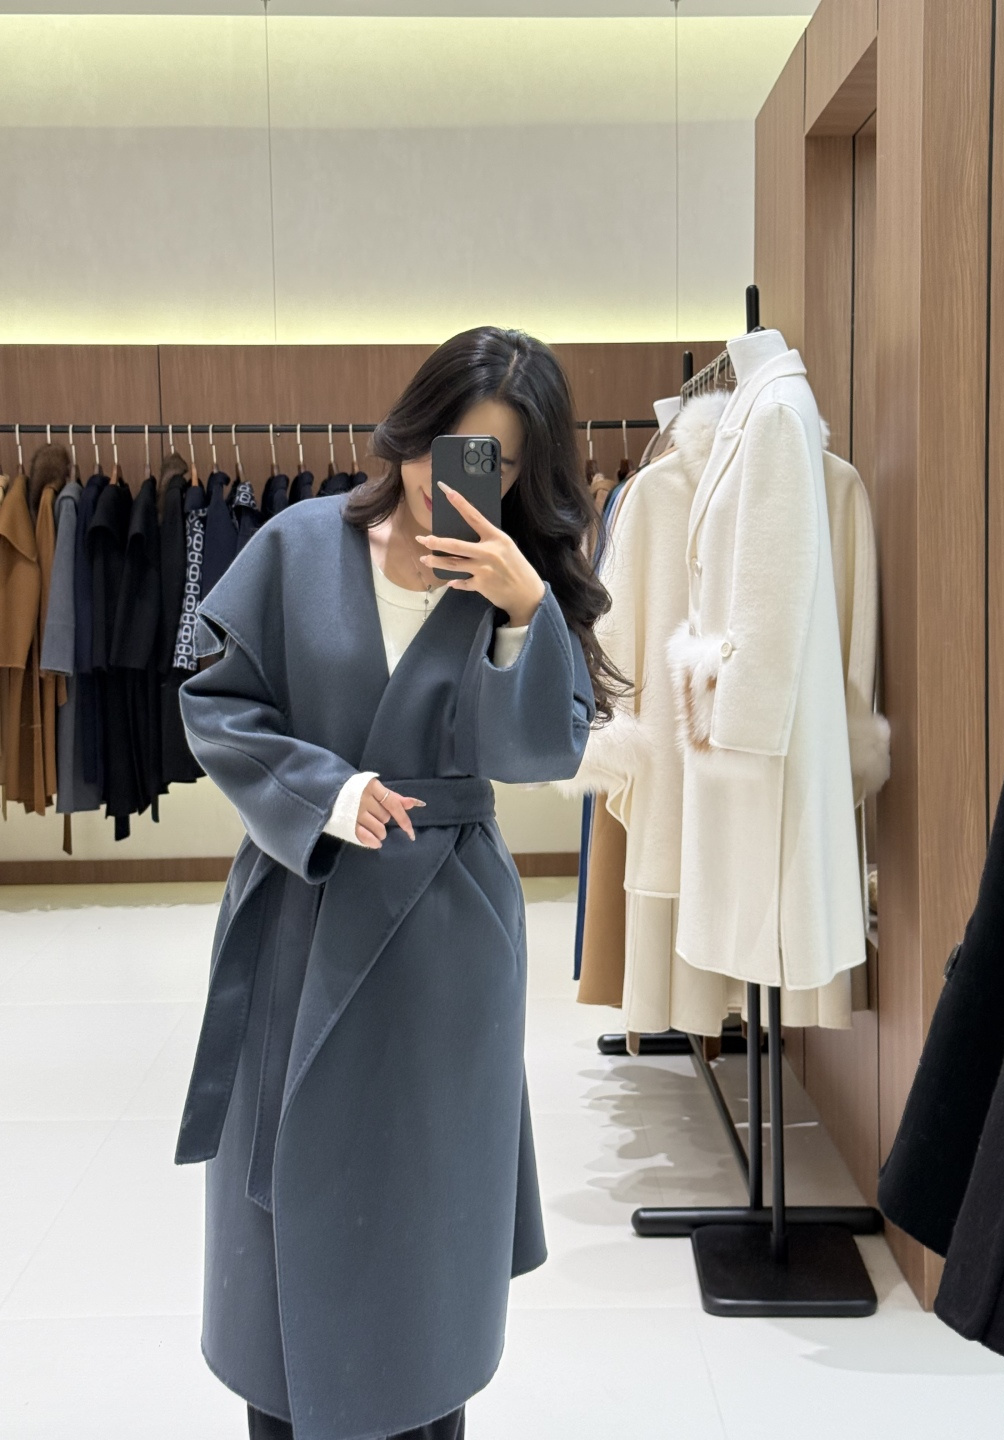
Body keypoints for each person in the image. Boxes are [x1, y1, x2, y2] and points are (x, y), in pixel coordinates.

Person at [171, 328, 628, 1440]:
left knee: (424, 1224)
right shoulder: (300, 545)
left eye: (494, 461)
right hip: (305, 903)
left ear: (524, 473)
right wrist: (326, 793)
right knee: (288, 1232)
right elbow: (215, 707)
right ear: (410, 428)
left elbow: (538, 754)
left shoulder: (510, 585)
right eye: (441, 444)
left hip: (444, 934)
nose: (447, 477)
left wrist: (521, 615)